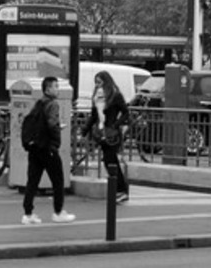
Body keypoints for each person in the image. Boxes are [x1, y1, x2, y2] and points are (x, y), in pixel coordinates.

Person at [21, 75, 74, 225]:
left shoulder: (38, 103)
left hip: (35, 147)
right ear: (48, 89)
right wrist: (55, 142)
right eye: (55, 86)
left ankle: (28, 213)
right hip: (47, 148)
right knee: (58, 180)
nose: (58, 89)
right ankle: (58, 212)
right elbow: (51, 124)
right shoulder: (53, 104)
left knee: (32, 181)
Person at [83, 69, 130, 204]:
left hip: (112, 134)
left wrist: (116, 125)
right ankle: (120, 190)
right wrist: (85, 129)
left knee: (111, 161)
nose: (97, 85)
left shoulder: (115, 95)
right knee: (109, 161)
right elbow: (93, 116)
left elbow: (126, 113)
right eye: (96, 83)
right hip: (101, 132)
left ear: (106, 81)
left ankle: (121, 190)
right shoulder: (97, 97)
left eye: (99, 82)